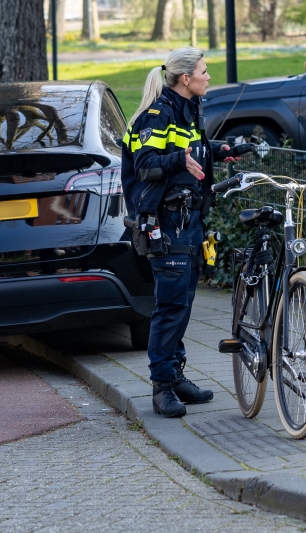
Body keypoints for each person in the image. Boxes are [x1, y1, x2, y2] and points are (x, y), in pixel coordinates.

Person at [121, 47, 238, 418]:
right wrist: (177, 160)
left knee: (183, 304)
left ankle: (176, 376)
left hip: (188, 223)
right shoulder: (159, 114)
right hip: (166, 224)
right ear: (185, 79)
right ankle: (162, 387)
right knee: (171, 306)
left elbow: (189, 150)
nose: (208, 77)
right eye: (204, 71)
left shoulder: (186, 112)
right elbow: (146, 164)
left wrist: (220, 150)